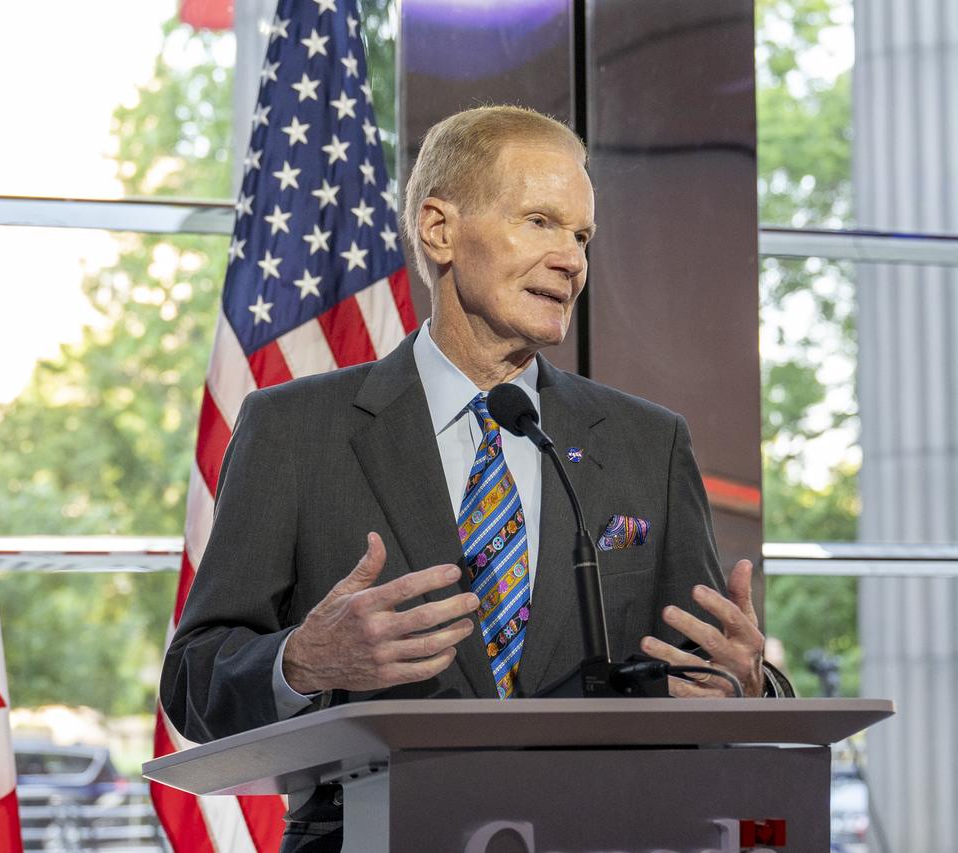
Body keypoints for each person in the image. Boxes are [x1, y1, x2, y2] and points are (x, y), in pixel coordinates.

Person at [160, 105, 768, 852]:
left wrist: (750, 689)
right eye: (540, 221)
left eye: (582, 236)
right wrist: (303, 660)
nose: (572, 259)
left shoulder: (649, 442)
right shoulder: (296, 430)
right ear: (440, 229)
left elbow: (702, 672)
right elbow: (193, 680)